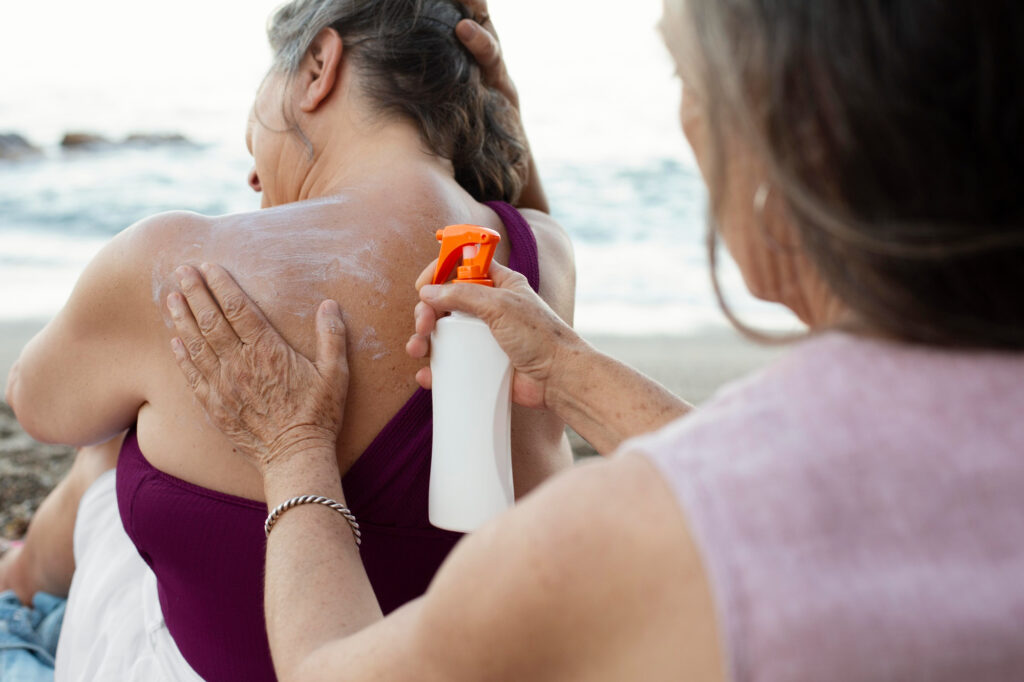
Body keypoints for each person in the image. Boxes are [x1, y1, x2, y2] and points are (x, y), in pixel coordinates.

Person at [166, 0, 1024, 680]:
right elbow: (830, 491)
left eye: (688, 76)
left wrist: (291, 447)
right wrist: (569, 369)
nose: (694, 124)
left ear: (802, 138)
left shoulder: (630, 537)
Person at [3, 0, 574, 679]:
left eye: (255, 135)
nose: (253, 178)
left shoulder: (169, 264)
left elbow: (38, 405)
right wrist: (500, 109)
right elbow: (528, 214)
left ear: (318, 67)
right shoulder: (540, 266)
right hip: (445, 657)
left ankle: (15, 588)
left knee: (109, 439)